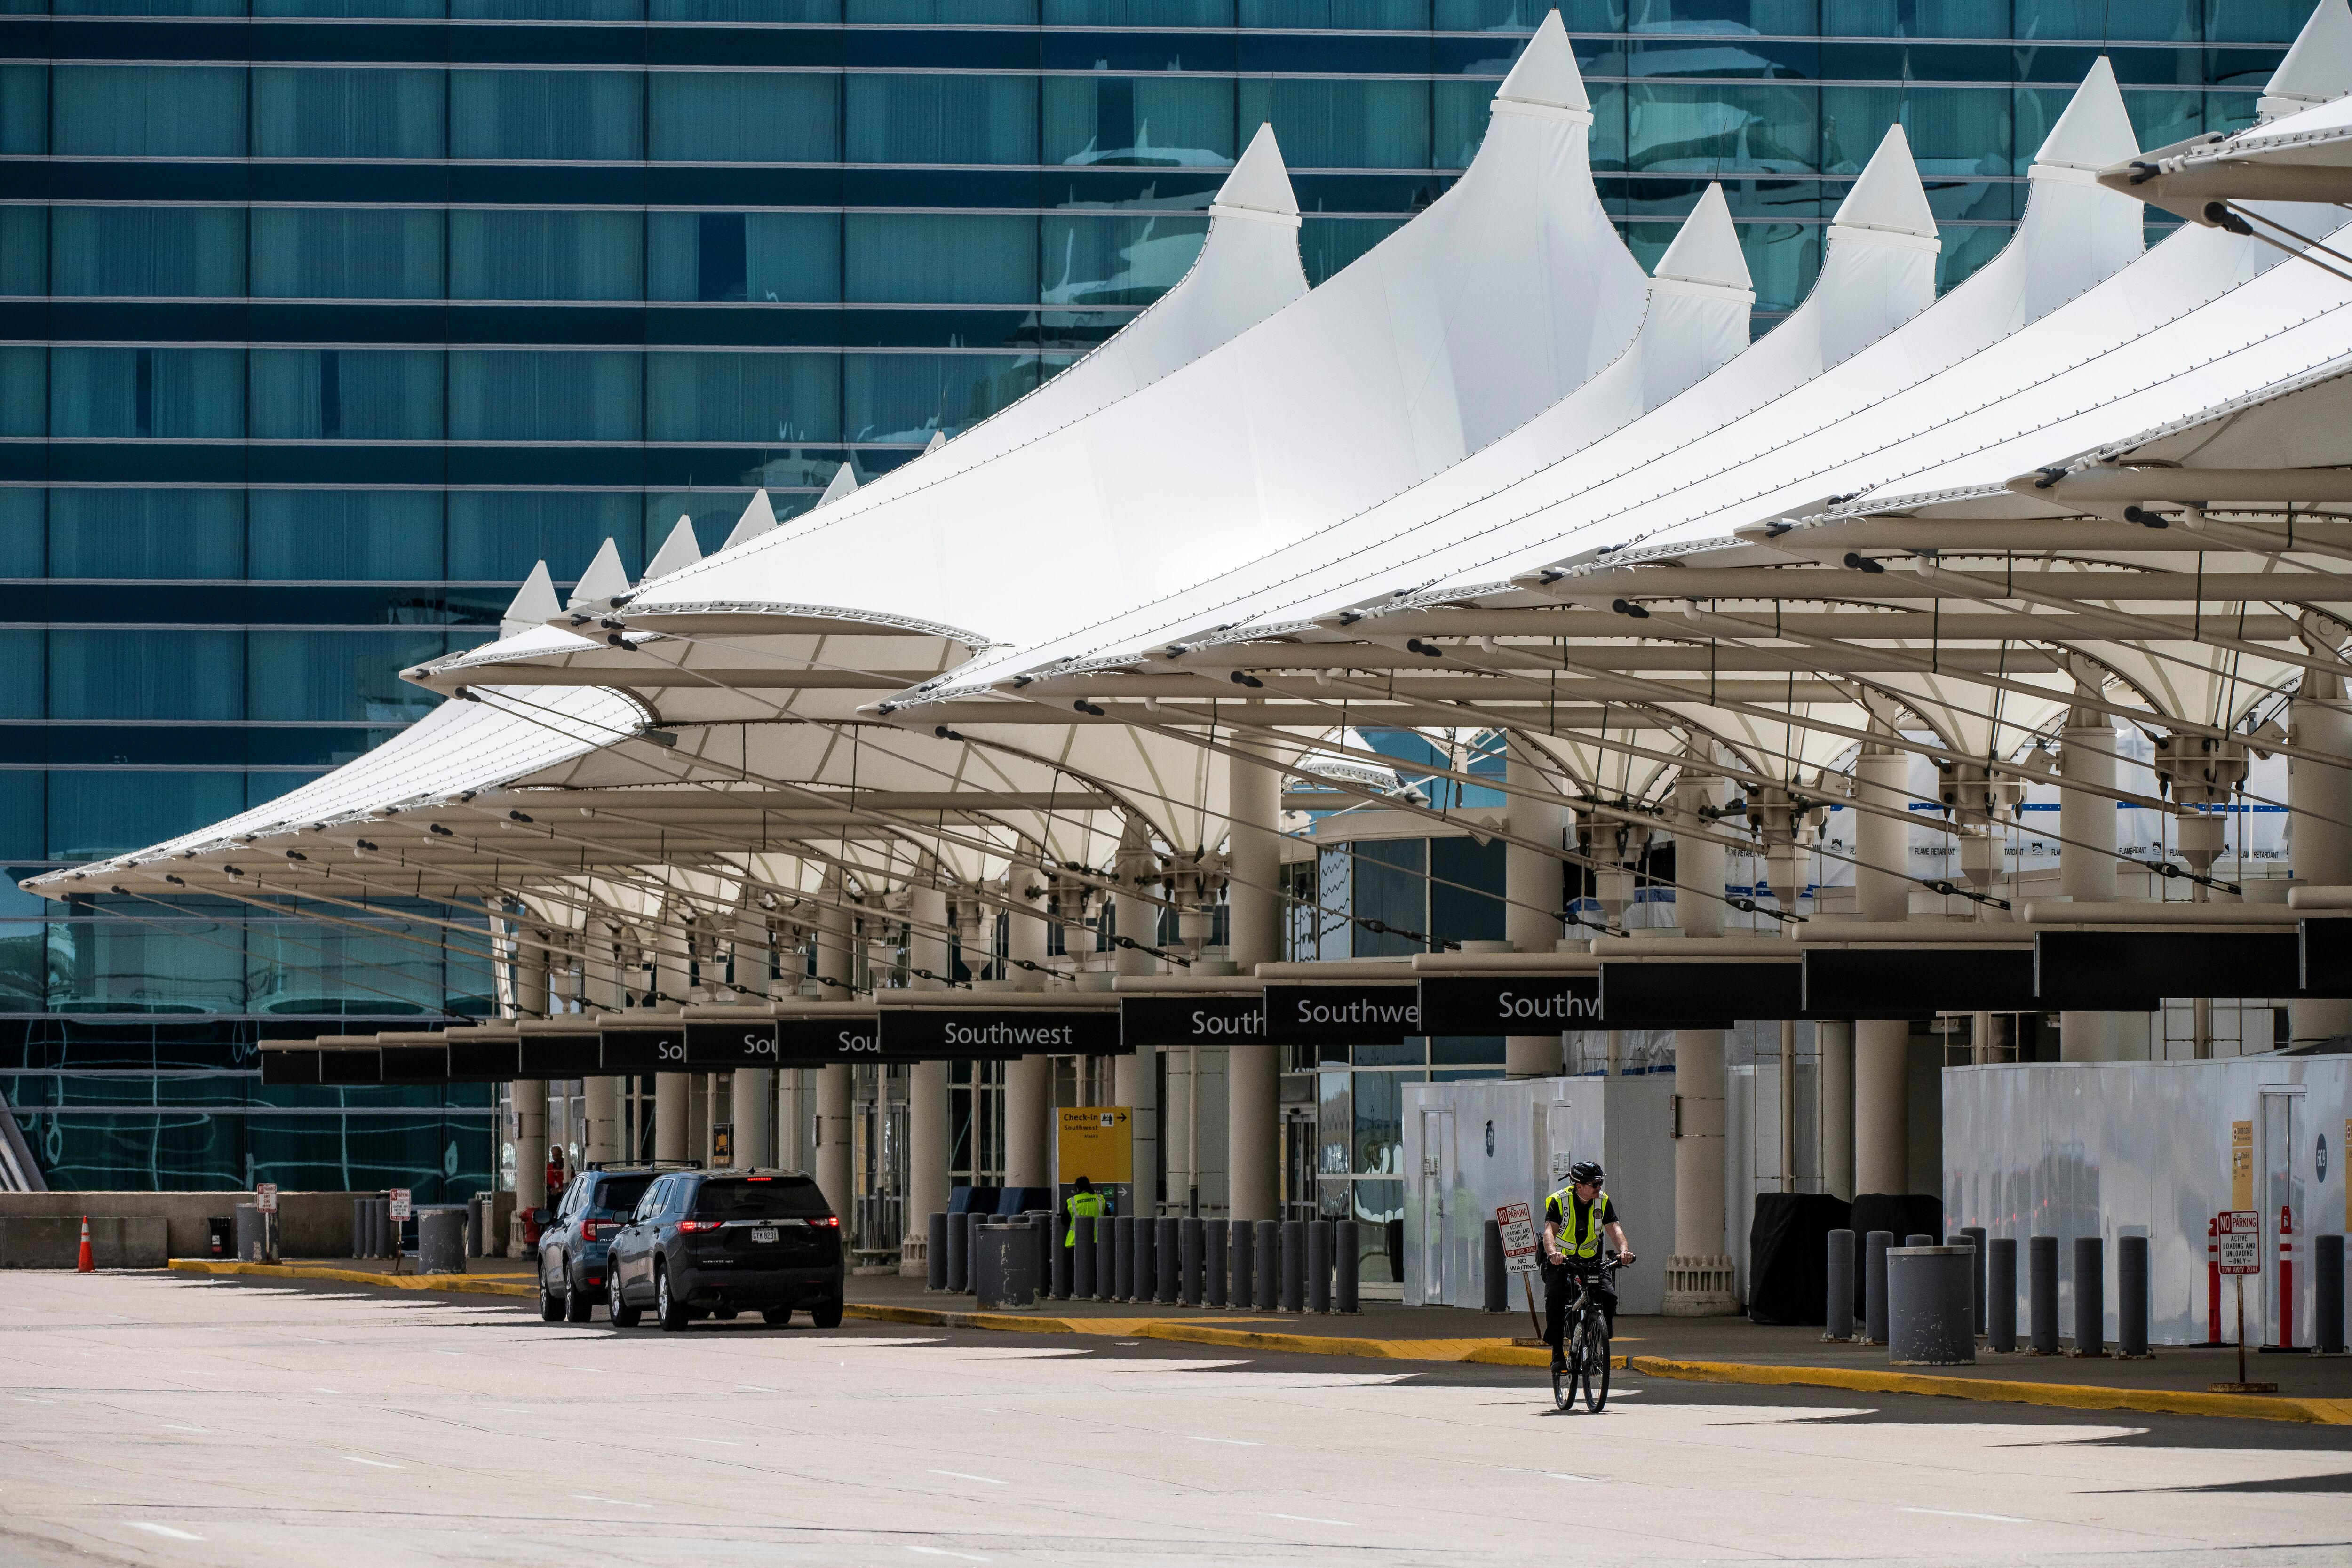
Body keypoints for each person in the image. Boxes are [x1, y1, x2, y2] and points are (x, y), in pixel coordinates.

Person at [1542, 1160, 1633, 1372]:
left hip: (1590, 1261)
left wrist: (1624, 1251)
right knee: (1555, 1297)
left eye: (1600, 1183)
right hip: (1562, 1261)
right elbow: (1549, 1232)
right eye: (1594, 1184)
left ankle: (1596, 1344)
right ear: (1578, 1185)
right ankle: (1557, 1352)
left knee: (1609, 1297)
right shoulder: (1559, 1201)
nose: (1599, 1188)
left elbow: (1615, 1229)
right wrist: (1553, 1254)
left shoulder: (1602, 1201)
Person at [1063, 1175, 1108, 1247]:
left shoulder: (1072, 1201)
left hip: (1077, 1240)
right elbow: (1108, 1216)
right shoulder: (1100, 1199)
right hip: (1097, 1240)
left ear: (1077, 1189)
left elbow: (1064, 1221)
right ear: (1089, 1186)